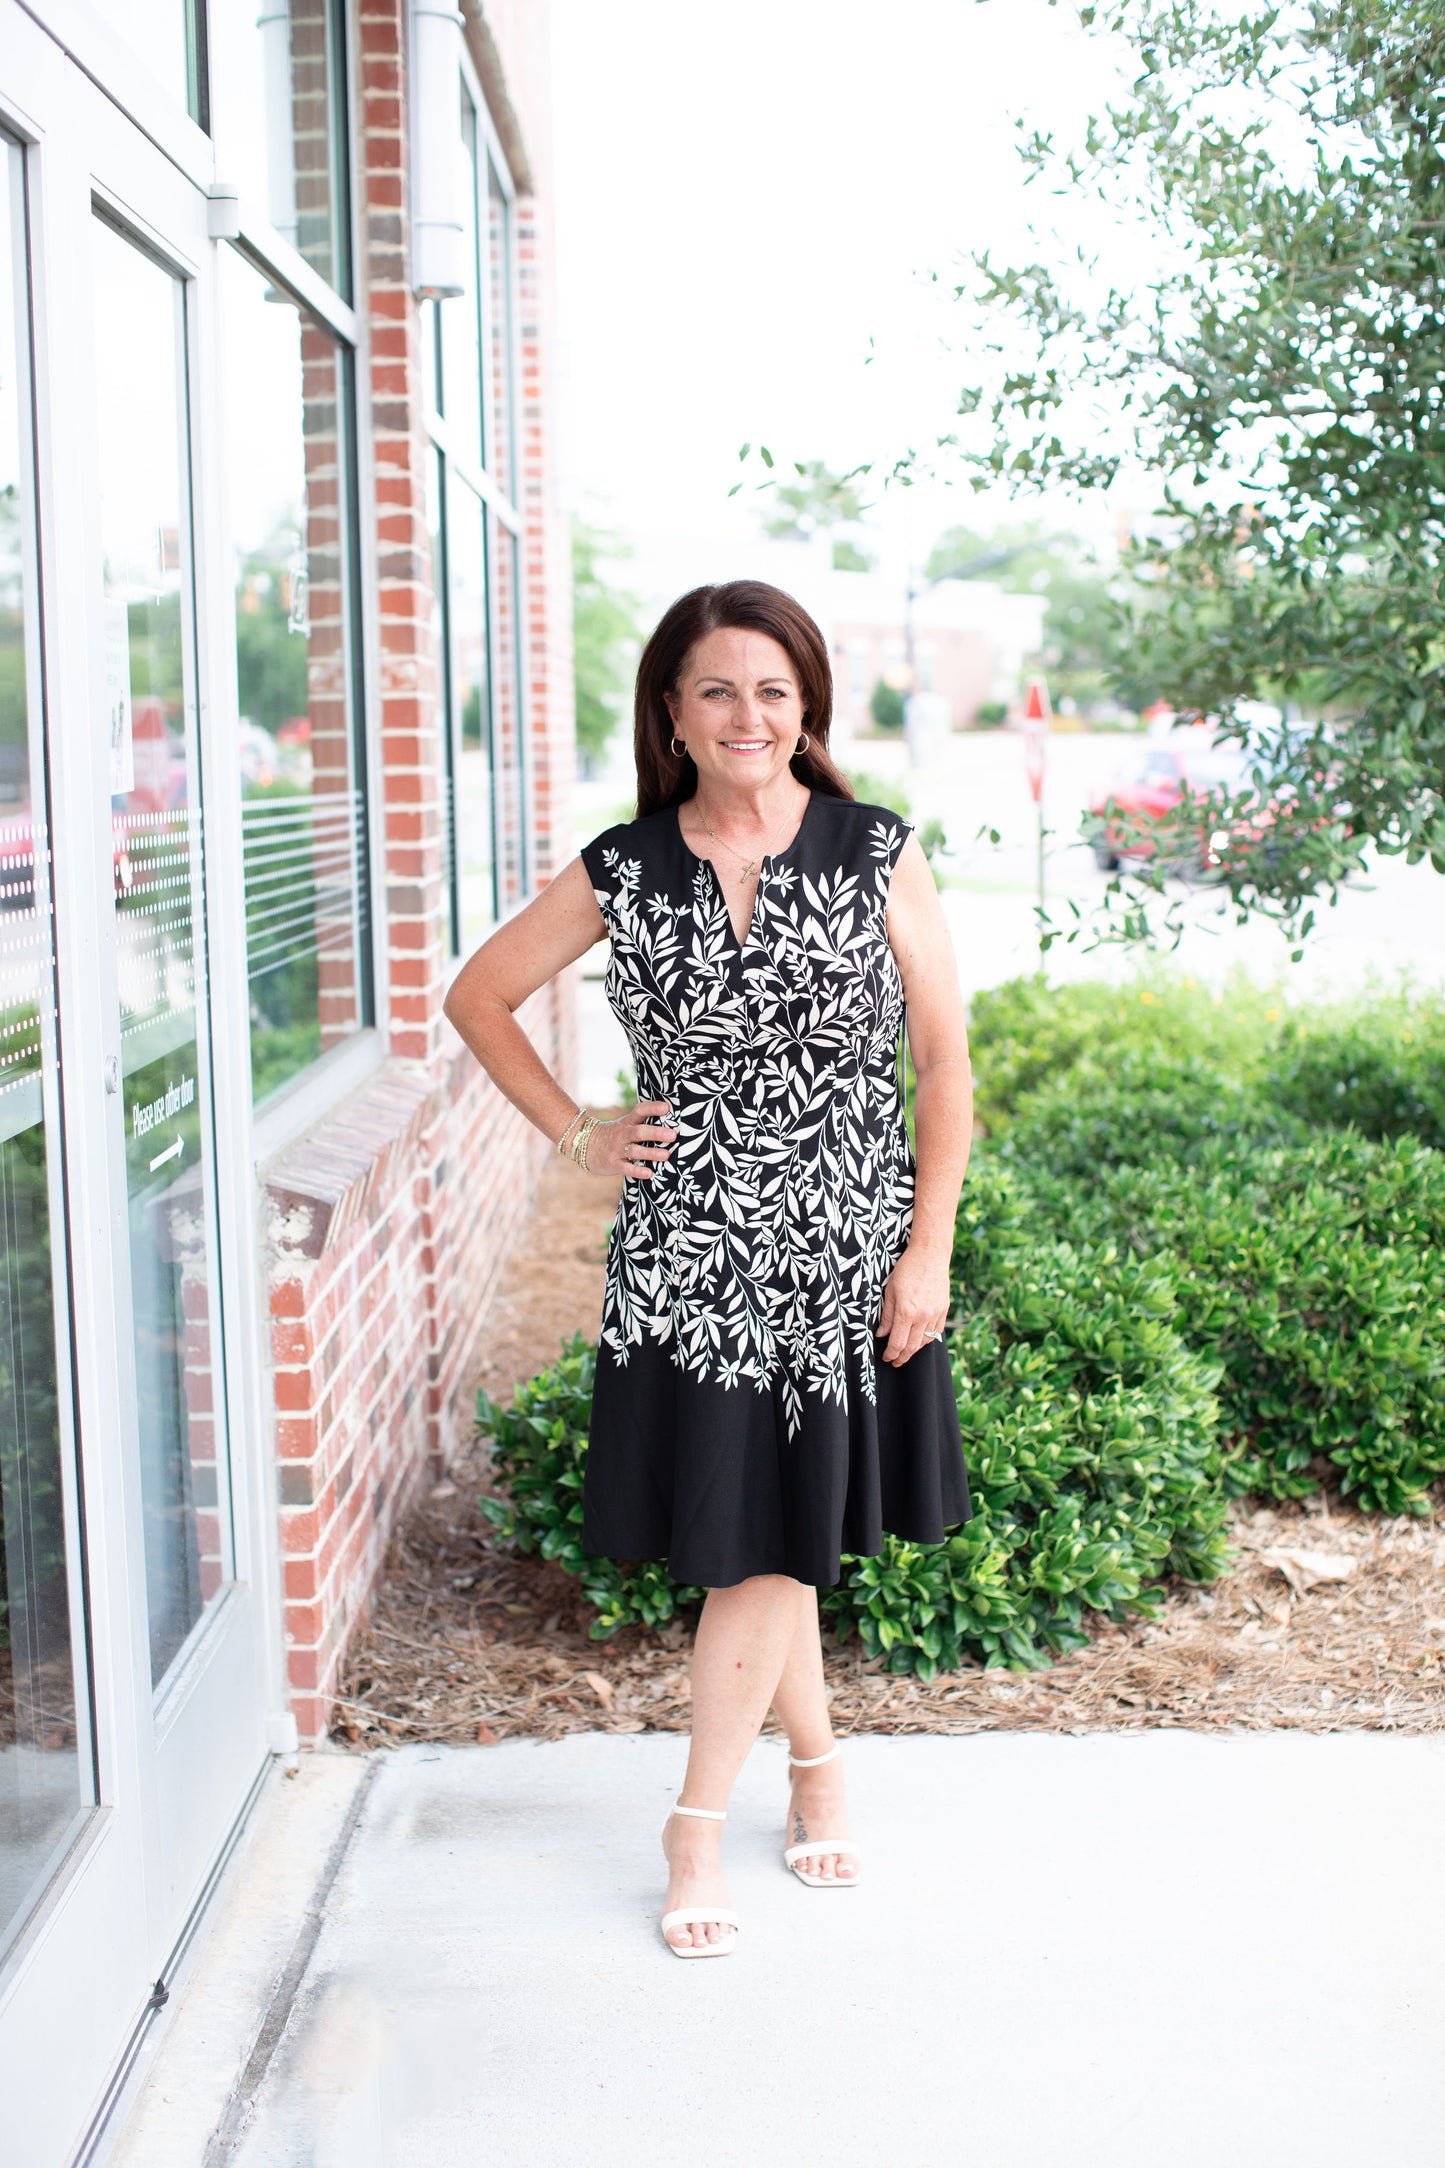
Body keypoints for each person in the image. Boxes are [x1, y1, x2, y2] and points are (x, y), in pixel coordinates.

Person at [444, 580, 973, 1958]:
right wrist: (576, 1130)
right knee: (760, 1541)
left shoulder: (870, 848)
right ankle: (796, 1783)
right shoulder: (625, 867)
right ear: (672, 713)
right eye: (719, 690)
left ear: (807, 713)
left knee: (762, 1549)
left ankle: (707, 1818)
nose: (749, 715)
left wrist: (928, 1250)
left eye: (774, 692)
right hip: (689, 1259)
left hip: (847, 1250)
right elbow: (477, 996)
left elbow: (943, 1061)